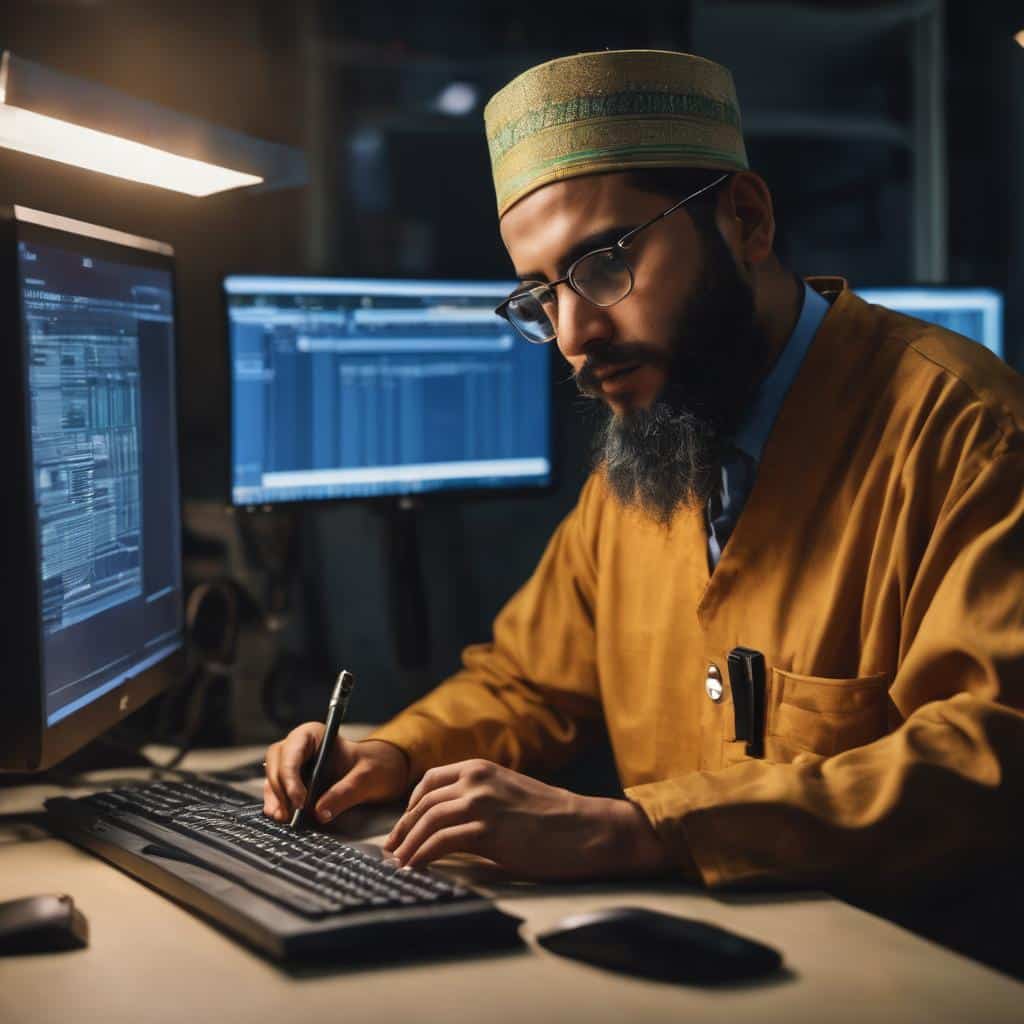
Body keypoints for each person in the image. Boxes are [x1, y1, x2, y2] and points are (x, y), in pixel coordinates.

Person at [263, 50, 1024, 891]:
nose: (574, 335)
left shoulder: (969, 432)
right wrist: (391, 753)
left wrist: (636, 832)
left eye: (602, 265)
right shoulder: (655, 449)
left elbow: (987, 753)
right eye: (542, 296)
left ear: (746, 218)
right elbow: (529, 685)